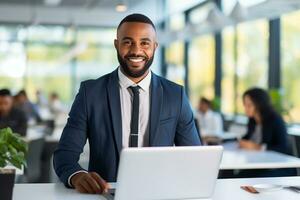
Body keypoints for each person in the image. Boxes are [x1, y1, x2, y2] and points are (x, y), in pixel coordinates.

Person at [53, 13, 201, 194]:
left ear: (155, 47)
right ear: (117, 44)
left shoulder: (175, 95)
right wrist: (77, 175)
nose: (136, 51)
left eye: (145, 43)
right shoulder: (90, 93)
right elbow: (64, 155)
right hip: (105, 194)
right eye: (128, 42)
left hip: (159, 193)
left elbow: (194, 158)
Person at [239, 88, 289, 154]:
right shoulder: (252, 120)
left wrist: (258, 147)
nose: (245, 109)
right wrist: (242, 141)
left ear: (260, 104)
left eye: (249, 105)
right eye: (245, 105)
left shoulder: (275, 120)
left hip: (273, 160)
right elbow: (248, 136)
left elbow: (283, 148)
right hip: (256, 156)